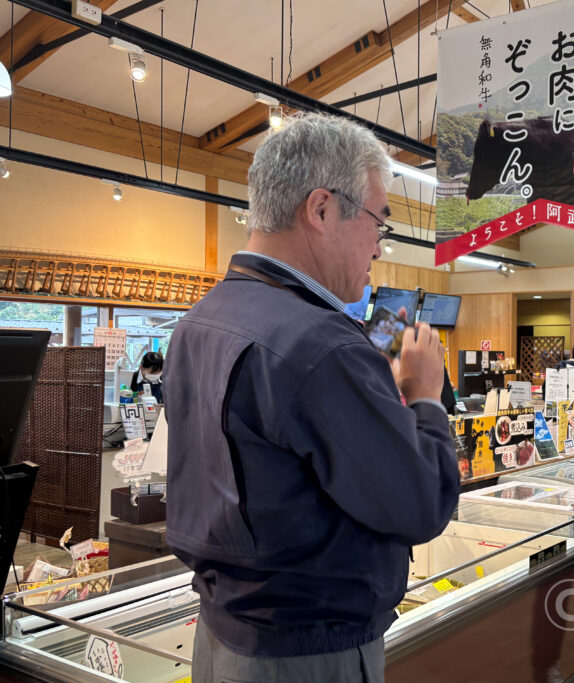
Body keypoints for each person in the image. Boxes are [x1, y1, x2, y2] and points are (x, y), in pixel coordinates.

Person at [163, 113, 460, 682]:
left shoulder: (199, 321)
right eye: (379, 221)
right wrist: (425, 398)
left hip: (222, 636)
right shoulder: (322, 346)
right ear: (321, 210)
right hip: (309, 653)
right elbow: (421, 503)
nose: (379, 245)